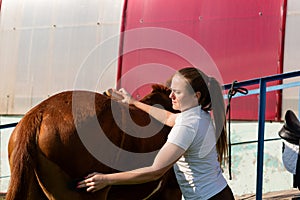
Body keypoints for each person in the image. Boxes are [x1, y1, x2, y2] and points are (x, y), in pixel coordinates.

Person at [77, 67, 234, 199]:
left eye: (177, 92)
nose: (171, 96)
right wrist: (133, 102)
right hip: (220, 193)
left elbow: (155, 171)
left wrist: (105, 179)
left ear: (196, 96)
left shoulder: (187, 126)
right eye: (171, 90)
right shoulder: (200, 115)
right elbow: (169, 117)